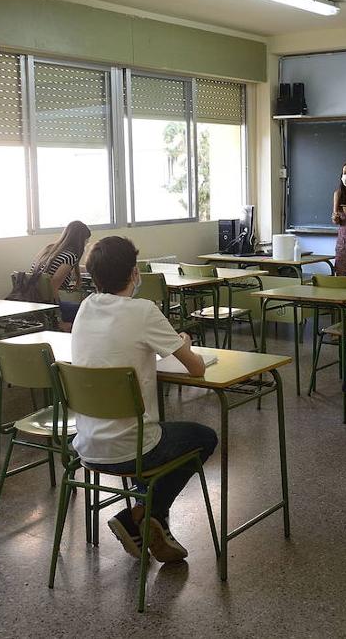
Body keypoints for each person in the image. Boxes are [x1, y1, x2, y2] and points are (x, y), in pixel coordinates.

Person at [69, 235, 217, 564]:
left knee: (148, 429)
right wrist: (184, 343)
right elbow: (195, 370)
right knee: (204, 437)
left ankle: (155, 524)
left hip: (87, 445)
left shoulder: (84, 308)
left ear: (94, 276)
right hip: (131, 448)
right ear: (134, 273)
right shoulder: (144, 311)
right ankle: (139, 514)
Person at [29, 220, 92, 297]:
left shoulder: (49, 249)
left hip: (32, 297)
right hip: (47, 302)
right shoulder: (70, 257)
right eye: (86, 241)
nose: (86, 244)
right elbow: (53, 287)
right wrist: (58, 307)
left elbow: (57, 269)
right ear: (80, 241)